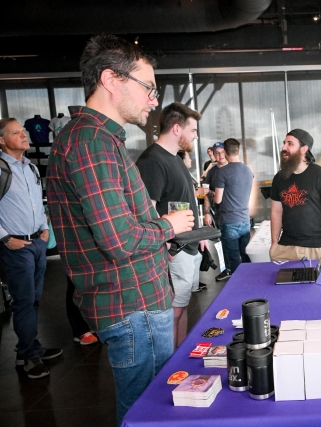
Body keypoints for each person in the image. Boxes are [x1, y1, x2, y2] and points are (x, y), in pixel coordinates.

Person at [46, 35, 194, 426]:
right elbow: (120, 240)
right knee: (146, 412)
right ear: (112, 80)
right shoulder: (91, 142)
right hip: (133, 304)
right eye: (148, 88)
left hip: (135, 301)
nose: (154, 101)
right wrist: (168, 225)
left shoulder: (98, 140)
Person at [136, 102, 206, 349]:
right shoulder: (152, 161)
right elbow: (147, 209)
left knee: (181, 307)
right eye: (193, 130)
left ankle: (180, 359)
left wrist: (200, 234)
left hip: (188, 246)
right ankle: (169, 368)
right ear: (177, 129)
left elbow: (183, 202)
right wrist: (166, 246)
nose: (195, 136)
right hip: (173, 251)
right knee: (173, 312)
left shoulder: (174, 158)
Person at [0, 118, 62, 379]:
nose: (24, 135)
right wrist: (4, 238)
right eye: (16, 132)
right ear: (2, 141)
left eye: (23, 131)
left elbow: (37, 202)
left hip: (36, 242)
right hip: (15, 246)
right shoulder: (2, 169)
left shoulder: (30, 167)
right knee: (24, 302)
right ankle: (27, 356)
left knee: (34, 299)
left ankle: (30, 346)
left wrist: (43, 227)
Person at [269, 129, 321, 261]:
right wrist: (274, 243)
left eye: (290, 144)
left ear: (303, 149)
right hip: (286, 246)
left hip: (317, 247)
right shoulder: (279, 177)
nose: (284, 147)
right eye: (284, 143)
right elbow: (276, 212)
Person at [212, 138, 253, 276]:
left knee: (234, 258)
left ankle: (237, 287)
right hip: (245, 219)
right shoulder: (248, 170)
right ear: (238, 150)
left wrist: (210, 194)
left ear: (225, 152)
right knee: (246, 256)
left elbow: (218, 200)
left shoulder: (222, 172)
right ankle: (250, 284)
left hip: (229, 220)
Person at [203, 141, 231, 281]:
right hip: (220, 213)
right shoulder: (212, 173)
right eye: (217, 153)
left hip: (236, 212)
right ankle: (226, 269)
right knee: (223, 242)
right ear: (213, 155)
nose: (220, 155)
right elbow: (207, 193)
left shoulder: (234, 168)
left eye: (222, 152)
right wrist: (206, 212)